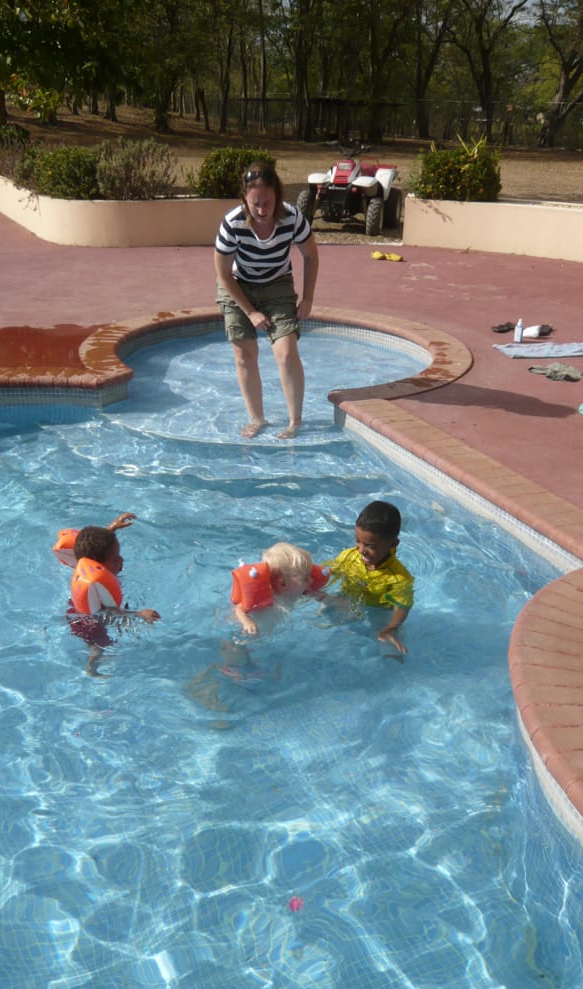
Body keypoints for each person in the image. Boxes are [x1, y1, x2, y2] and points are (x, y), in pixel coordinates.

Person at [214, 161, 319, 440]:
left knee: (286, 352)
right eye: (255, 203)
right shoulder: (232, 223)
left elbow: (311, 255)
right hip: (238, 286)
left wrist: (308, 298)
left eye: (268, 203)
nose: (261, 210)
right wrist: (249, 312)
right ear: (245, 199)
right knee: (245, 354)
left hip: (277, 285)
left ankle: (295, 422)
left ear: (278, 196)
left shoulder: (292, 218)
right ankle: (256, 418)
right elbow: (223, 275)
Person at [53, 514, 160, 673]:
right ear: (100, 565)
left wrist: (112, 528)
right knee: (100, 646)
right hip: (88, 623)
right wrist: (139, 614)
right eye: (116, 558)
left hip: (74, 607)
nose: (121, 559)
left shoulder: (87, 567)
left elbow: (93, 549)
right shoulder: (96, 583)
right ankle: (91, 669)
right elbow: (109, 613)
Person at [325, 501, 414, 654]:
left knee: (389, 645)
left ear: (393, 543)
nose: (361, 550)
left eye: (371, 546)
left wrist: (391, 628)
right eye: (358, 541)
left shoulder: (399, 578)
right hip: (348, 598)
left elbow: (402, 607)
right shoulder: (349, 556)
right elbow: (327, 573)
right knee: (325, 614)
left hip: (379, 610)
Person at [231, 541, 330, 635]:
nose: (311, 581)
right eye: (305, 578)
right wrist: (247, 623)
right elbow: (239, 609)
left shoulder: (294, 591)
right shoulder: (267, 598)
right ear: (283, 583)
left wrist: (321, 596)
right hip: (240, 630)